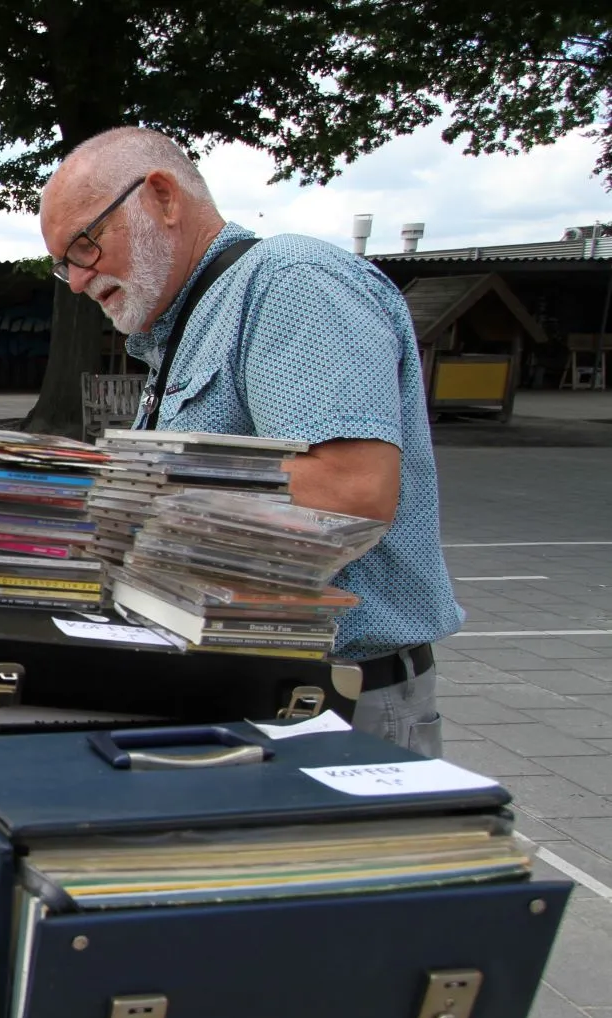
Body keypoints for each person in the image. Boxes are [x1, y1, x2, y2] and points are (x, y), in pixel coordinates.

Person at [38, 127, 463, 756]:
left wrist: (123, 490)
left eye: (84, 246)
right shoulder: (192, 319)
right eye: (63, 264)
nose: (76, 281)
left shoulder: (290, 281)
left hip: (329, 703)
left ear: (161, 196)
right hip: (258, 690)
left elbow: (349, 489)